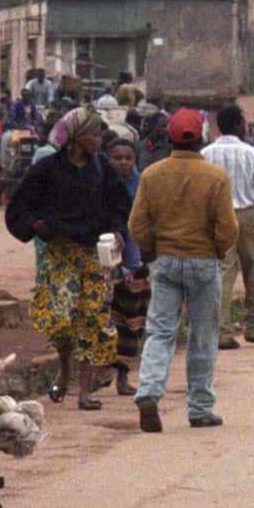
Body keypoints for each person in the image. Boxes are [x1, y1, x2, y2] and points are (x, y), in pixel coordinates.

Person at [14, 105, 133, 411]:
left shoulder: (102, 168)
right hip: (61, 254)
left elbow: (120, 202)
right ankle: (64, 371)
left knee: (92, 319)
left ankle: (84, 391)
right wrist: (34, 225)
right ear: (78, 138)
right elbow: (20, 205)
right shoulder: (48, 168)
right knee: (62, 320)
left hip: (94, 255)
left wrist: (118, 230)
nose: (99, 139)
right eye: (94, 133)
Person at [128, 107, 238, 431]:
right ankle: (200, 408)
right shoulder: (216, 177)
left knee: (160, 331)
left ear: (169, 137)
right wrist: (217, 250)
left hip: (166, 261)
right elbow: (228, 227)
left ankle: (149, 391)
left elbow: (137, 224)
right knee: (203, 335)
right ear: (201, 138)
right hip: (204, 261)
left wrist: (152, 248)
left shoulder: (151, 175)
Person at [203, 104, 254, 347]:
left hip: (218, 219)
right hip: (247, 216)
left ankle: (222, 331)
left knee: (224, 273)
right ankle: (253, 326)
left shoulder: (206, 154)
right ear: (239, 125)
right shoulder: (252, 153)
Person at [102, 137, 150, 393]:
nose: (123, 162)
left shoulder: (143, 184)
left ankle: (123, 377)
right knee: (104, 321)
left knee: (131, 324)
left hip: (135, 264)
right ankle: (101, 373)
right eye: (117, 158)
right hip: (105, 265)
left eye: (128, 158)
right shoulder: (100, 184)